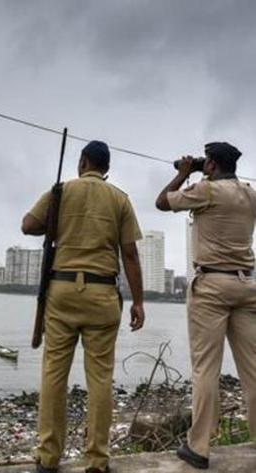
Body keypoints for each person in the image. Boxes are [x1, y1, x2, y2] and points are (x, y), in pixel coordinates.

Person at [22, 140, 145, 473]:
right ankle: (97, 459)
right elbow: (130, 254)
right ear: (105, 168)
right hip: (103, 295)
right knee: (101, 379)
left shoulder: (62, 192)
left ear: (83, 162)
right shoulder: (119, 198)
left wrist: (60, 224)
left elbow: (28, 225)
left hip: (62, 292)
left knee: (53, 375)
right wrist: (139, 301)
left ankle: (48, 456)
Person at [156, 142, 256, 470]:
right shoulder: (250, 193)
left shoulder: (206, 191)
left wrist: (184, 173)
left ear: (210, 164)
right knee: (253, 370)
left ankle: (199, 447)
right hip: (246, 286)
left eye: (206, 163)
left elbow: (161, 202)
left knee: (205, 369)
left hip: (212, 286)